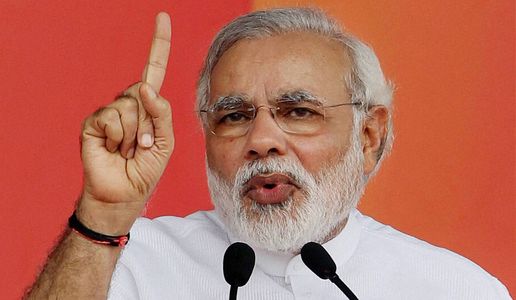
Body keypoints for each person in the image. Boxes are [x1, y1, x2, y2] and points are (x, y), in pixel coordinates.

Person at [26, 8, 510, 300]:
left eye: (298, 111)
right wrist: (102, 216)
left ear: (369, 135)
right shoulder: (128, 262)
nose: (261, 140)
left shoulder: (453, 289)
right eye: (234, 116)